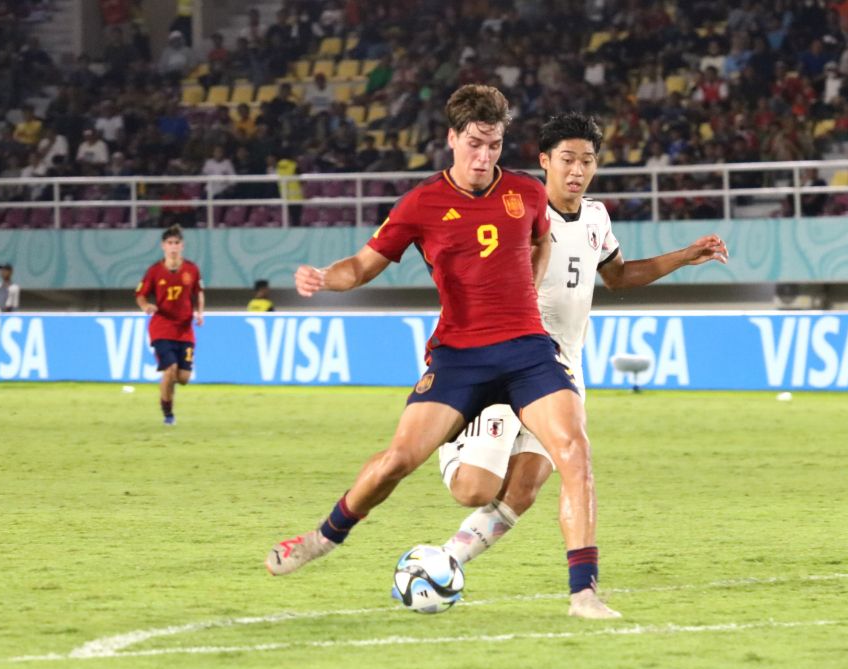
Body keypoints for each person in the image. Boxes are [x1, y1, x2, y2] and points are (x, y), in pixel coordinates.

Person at [265, 85, 616, 618]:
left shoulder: (525, 192)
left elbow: (542, 239)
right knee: (397, 461)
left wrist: (530, 280)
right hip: (460, 355)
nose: (484, 157)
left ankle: (584, 593)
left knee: (576, 453)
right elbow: (362, 265)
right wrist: (324, 278)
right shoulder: (422, 203)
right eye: (475, 144)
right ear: (452, 139)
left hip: (528, 350)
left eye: (495, 145)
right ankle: (321, 539)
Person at [436, 112, 728, 574]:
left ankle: (444, 561)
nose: (577, 170)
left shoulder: (595, 216)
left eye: (587, 161)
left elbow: (617, 276)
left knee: (525, 489)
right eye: (567, 159)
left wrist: (684, 256)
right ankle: (451, 439)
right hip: (506, 363)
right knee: (474, 489)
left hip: (562, 372)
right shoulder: (517, 215)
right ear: (544, 161)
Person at [135, 225, 204, 425]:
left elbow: (198, 292)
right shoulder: (155, 271)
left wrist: (200, 312)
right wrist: (146, 306)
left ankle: (167, 383)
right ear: (163, 246)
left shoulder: (191, 269)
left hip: (185, 329)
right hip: (162, 327)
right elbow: (140, 294)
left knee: (183, 378)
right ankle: (168, 413)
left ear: (182, 246)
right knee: (170, 368)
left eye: (176, 243)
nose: (173, 247)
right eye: (169, 243)